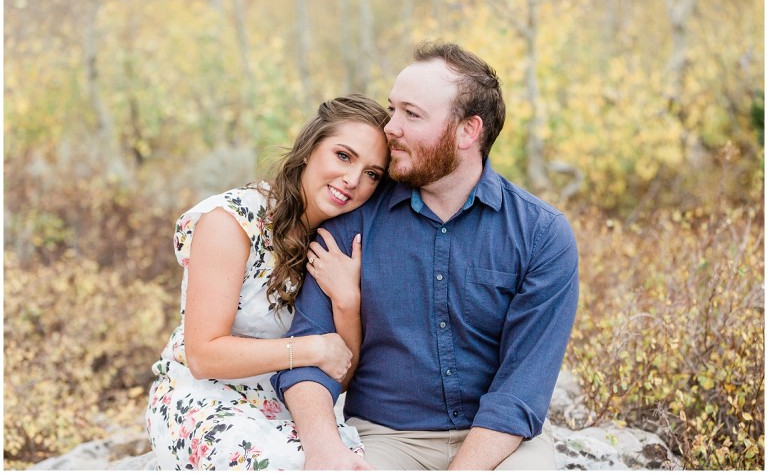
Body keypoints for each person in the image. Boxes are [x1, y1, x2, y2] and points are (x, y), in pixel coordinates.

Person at [271, 42, 579, 470]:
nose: (389, 127)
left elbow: (521, 389)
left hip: (499, 446)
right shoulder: (352, 220)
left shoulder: (541, 234)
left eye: (410, 115)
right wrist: (325, 450)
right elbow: (308, 360)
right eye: (392, 108)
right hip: (386, 439)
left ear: (467, 131)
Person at [145, 94, 390, 470]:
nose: (353, 180)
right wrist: (309, 350)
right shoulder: (232, 222)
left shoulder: (336, 243)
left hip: (286, 406)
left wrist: (346, 301)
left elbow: (339, 374)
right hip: (202, 398)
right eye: (343, 155)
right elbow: (202, 355)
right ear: (309, 149)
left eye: (372, 173)